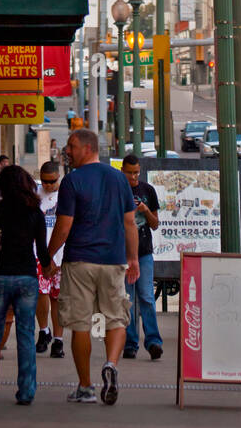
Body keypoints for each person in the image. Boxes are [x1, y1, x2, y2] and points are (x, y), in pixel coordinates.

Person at [47, 128, 139, 406]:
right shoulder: (119, 179)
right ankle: (111, 364)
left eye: (72, 146)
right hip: (112, 262)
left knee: (79, 323)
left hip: (79, 262)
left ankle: (86, 387)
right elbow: (129, 223)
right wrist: (132, 258)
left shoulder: (72, 181)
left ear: (88, 148)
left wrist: (48, 257)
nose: (68, 151)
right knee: (117, 319)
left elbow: (63, 226)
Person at [0, 165, 50, 405]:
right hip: (26, 278)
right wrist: (48, 268)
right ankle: (26, 391)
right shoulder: (35, 213)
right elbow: (42, 249)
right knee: (26, 334)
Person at [121, 154, 163, 360]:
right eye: (130, 173)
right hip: (122, 253)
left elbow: (155, 224)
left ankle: (154, 341)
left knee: (146, 297)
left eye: (136, 172)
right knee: (127, 299)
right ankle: (131, 343)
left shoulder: (147, 190)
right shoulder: (118, 190)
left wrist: (146, 210)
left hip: (144, 252)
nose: (134, 176)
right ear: (123, 171)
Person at [35, 160, 65, 357]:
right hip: (39, 254)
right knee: (41, 292)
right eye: (44, 181)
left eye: (52, 181)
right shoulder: (35, 195)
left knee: (58, 298)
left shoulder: (66, 196)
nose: (47, 185)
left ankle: (59, 339)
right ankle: (44, 331)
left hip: (62, 256)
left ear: (58, 177)